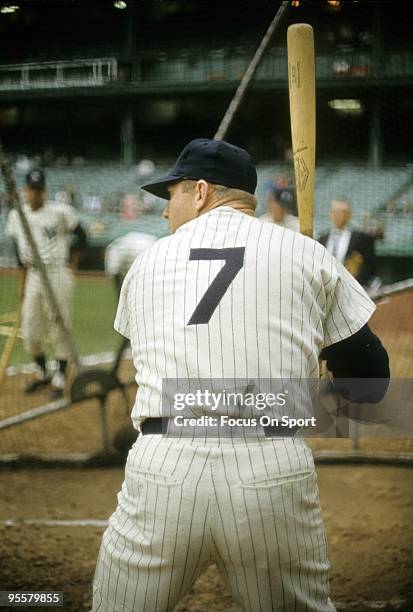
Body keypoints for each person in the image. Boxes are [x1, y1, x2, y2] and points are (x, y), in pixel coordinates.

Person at [91, 139, 389, 612]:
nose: (166, 212)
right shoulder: (306, 252)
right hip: (270, 467)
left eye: (173, 195)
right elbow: (372, 380)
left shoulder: (146, 263)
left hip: (164, 466)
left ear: (202, 191)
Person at [5, 168, 87, 398]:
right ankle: (42, 372)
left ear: (45, 191)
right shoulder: (17, 216)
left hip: (57, 271)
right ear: (24, 190)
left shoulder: (59, 212)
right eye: (32, 189)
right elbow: (18, 254)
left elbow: (82, 235)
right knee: (30, 329)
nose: (36, 194)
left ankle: (60, 375)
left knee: (59, 323)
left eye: (39, 190)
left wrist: (72, 266)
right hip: (33, 274)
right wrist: (21, 284)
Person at [318, 198, 377, 288]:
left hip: (352, 291)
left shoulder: (363, 239)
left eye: (343, 212)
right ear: (330, 214)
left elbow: (370, 268)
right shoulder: (321, 239)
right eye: (336, 212)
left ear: (350, 215)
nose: (339, 216)